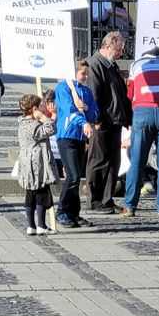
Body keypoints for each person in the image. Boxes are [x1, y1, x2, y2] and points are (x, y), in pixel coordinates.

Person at [120, 47, 159, 217]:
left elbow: (130, 93)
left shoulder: (136, 65)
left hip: (142, 112)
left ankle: (130, 206)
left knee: (137, 161)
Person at [85, 31, 131, 214]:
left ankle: (107, 198)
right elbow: (94, 94)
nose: (121, 53)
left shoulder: (111, 65)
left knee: (113, 161)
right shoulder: (95, 64)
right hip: (102, 122)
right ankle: (95, 200)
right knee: (99, 160)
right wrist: (96, 119)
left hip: (114, 121)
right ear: (109, 45)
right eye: (119, 49)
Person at [53, 61, 97, 228]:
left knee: (77, 176)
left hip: (80, 138)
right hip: (67, 136)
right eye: (82, 73)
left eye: (87, 74)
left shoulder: (86, 91)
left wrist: (87, 110)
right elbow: (69, 109)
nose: (85, 77)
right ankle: (62, 211)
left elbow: (94, 112)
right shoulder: (63, 88)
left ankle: (74, 213)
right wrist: (83, 122)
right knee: (73, 175)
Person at [17, 94, 57, 235]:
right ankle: (40, 225)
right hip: (37, 163)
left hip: (27, 162)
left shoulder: (22, 122)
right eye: (40, 106)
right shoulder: (32, 125)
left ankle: (32, 226)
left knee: (30, 193)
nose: (42, 108)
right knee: (41, 192)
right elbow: (51, 130)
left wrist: (49, 116)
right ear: (34, 109)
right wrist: (46, 117)